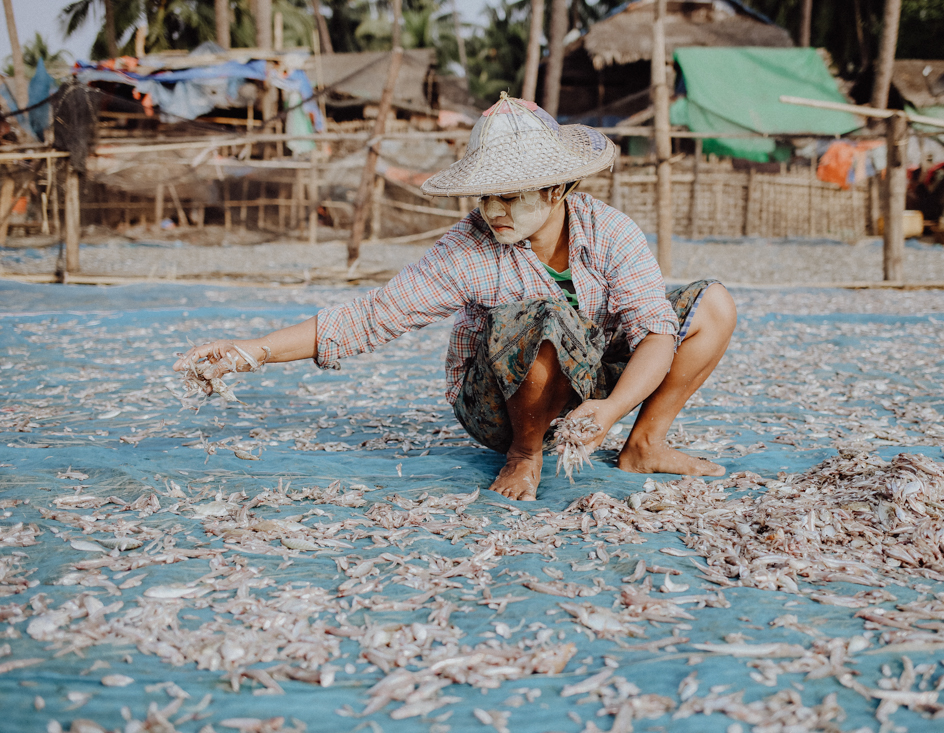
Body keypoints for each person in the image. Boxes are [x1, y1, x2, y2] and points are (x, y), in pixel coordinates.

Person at [173, 94, 737, 501]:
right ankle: (526, 453)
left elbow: (656, 333)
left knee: (711, 304)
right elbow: (373, 317)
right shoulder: (468, 247)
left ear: (556, 189)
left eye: (511, 197)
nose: (494, 210)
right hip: (501, 404)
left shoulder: (609, 232)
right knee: (537, 315)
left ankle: (645, 444)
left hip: (590, 391)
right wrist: (255, 351)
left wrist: (612, 412)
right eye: (486, 195)